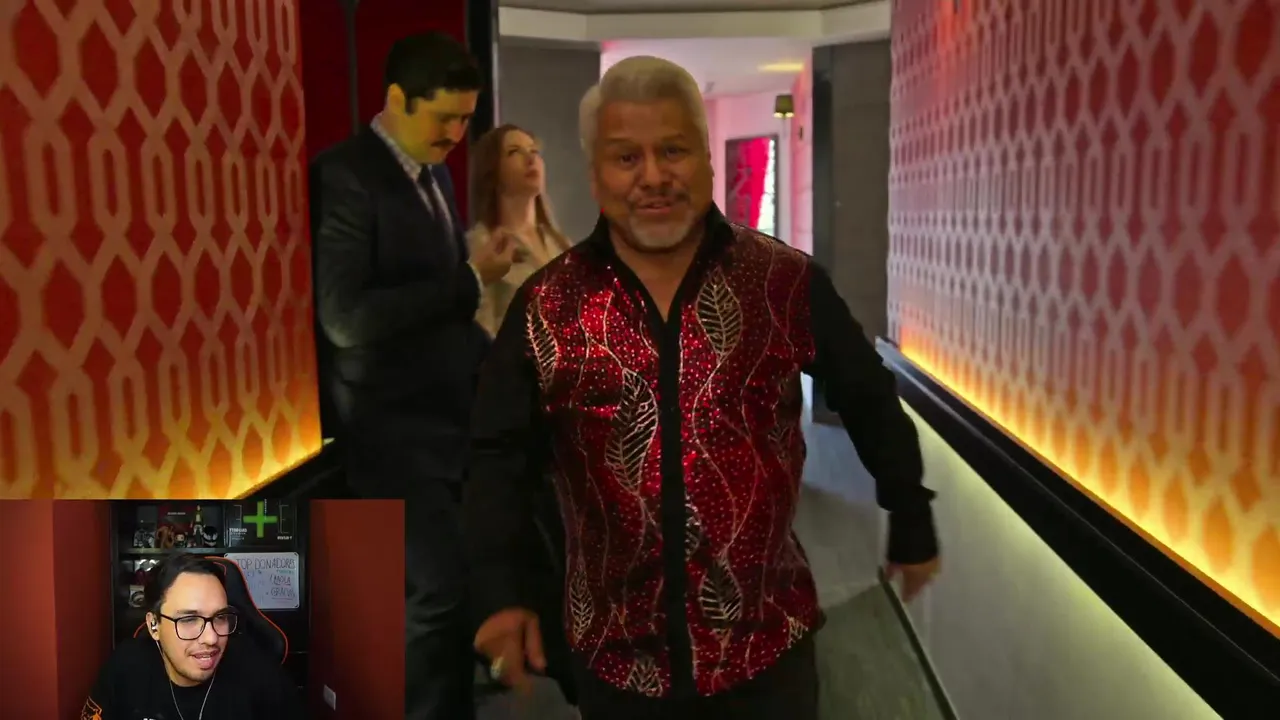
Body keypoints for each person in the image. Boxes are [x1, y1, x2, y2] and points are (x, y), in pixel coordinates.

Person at [463, 56, 942, 720]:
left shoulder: (781, 281)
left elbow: (866, 394)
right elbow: (497, 455)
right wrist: (499, 588)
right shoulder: (548, 305)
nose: (653, 176)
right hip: (617, 660)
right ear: (595, 172)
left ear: (708, 160)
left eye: (673, 150)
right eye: (626, 157)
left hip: (765, 649)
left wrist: (909, 508)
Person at [309, 31, 512, 720]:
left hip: (445, 416)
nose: (456, 134)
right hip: (387, 426)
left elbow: (438, 304)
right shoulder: (346, 175)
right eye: (444, 117)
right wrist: (470, 281)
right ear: (397, 99)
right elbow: (345, 319)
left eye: (465, 119)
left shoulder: (437, 174)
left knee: (457, 584)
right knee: (435, 593)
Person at [81, 554, 301, 719]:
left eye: (220, 617)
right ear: (154, 625)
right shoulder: (124, 669)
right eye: (188, 619)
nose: (211, 638)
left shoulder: (262, 677)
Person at [467, 123, 573, 336]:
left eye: (534, 151)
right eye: (514, 152)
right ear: (492, 172)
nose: (530, 158)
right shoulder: (482, 244)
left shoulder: (561, 244)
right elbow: (481, 333)